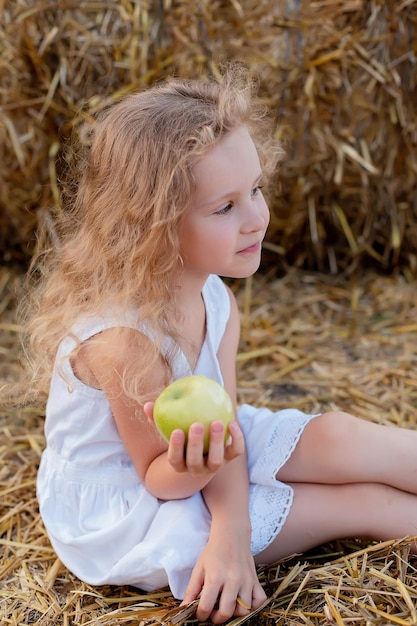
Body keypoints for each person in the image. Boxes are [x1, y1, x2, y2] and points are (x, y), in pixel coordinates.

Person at [23, 66, 417, 625]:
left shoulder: (214, 300)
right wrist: (229, 537)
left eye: (254, 189)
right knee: (362, 502)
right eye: (225, 207)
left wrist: (222, 490)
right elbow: (160, 477)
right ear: (154, 226)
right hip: (139, 499)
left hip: (203, 450)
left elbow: (224, 423)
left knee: (344, 439)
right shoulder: (123, 346)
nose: (259, 217)